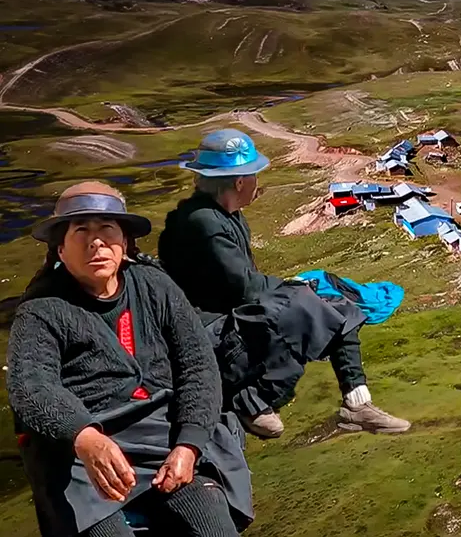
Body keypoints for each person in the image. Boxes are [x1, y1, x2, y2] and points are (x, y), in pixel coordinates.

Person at [6, 182, 253, 537]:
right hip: (79, 454)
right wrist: (85, 437)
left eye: (107, 228)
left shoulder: (155, 287)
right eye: (81, 231)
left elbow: (198, 365)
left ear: (124, 243)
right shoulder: (41, 311)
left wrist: (189, 444)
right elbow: (31, 387)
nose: (96, 242)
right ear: (60, 248)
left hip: (162, 437)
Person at [158, 129, 409, 439]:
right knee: (306, 305)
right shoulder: (203, 223)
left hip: (232, 315)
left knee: (337, 306)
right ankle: (252, 400)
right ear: (239, 181)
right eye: (254, 176)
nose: (256, 184)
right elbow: (246, 288)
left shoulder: (225, 215)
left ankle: (357, 403)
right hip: (208, 328)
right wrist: (293, 287)